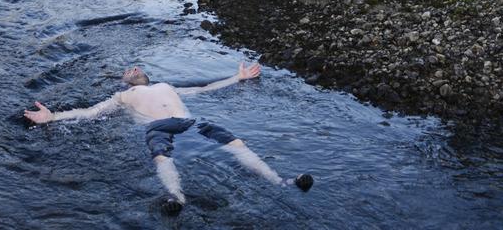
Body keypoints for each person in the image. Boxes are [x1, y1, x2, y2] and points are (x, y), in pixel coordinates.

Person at [23, 62, 313, 215]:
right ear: (124, 81)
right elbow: (89, 112)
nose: (134, 69)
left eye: (137, 68)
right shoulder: (123, 96)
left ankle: (280, 181)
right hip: (157, 126)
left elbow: (205, 89)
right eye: (128, 71)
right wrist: (53, 117)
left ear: (147, 75)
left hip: (192, 122)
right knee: (162, 155)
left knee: (237, 143)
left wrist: (237, 79)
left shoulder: (167, 85)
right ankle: (177, 196)